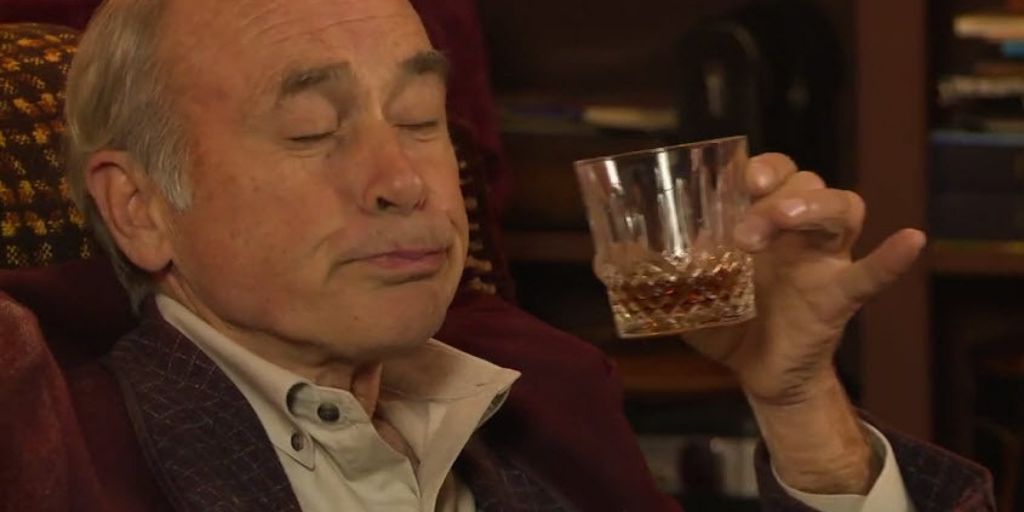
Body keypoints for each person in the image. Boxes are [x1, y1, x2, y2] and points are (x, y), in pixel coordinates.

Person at [59, 0, 993, 510]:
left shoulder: (554, 399)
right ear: (140, 209)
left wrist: (799, 408)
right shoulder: (58, 458)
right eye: (311, 130)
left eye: (420, 120)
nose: (405, 180)